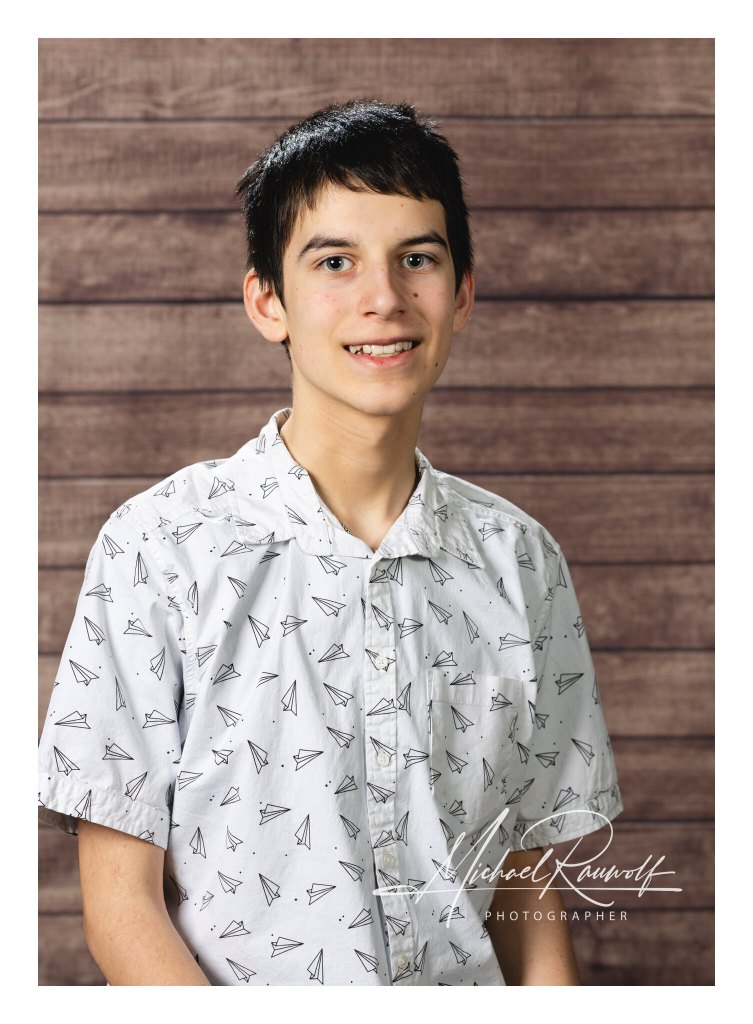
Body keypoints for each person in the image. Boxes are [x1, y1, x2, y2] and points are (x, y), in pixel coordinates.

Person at [38, 99, 623, 986]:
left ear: (462, 294)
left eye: (416, 259)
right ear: (266, 301)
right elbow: (121, 909)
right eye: (335, 262)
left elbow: (520, 879)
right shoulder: (159, 547)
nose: (383, 299)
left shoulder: (521, 561)